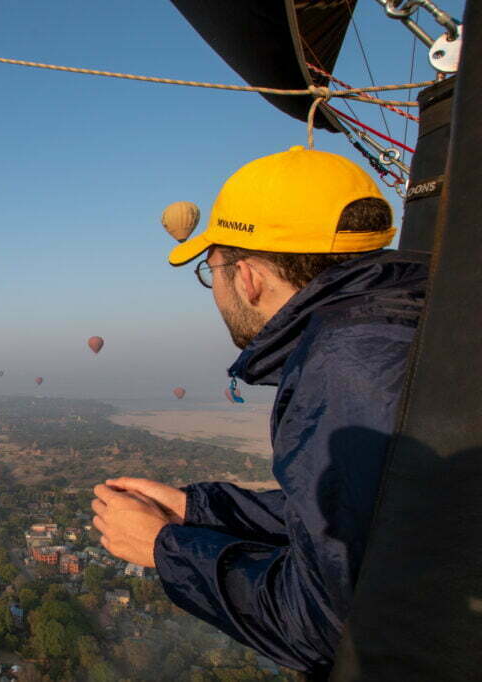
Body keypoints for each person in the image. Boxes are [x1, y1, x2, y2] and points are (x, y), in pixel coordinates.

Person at [90, 146, 429, 678]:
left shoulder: (347, 367)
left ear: (245, 276)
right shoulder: (408, 325)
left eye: (211, 270)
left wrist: (165, 548)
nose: (216, 290)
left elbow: (327, 626)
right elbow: (366, 516)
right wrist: (200, 511)